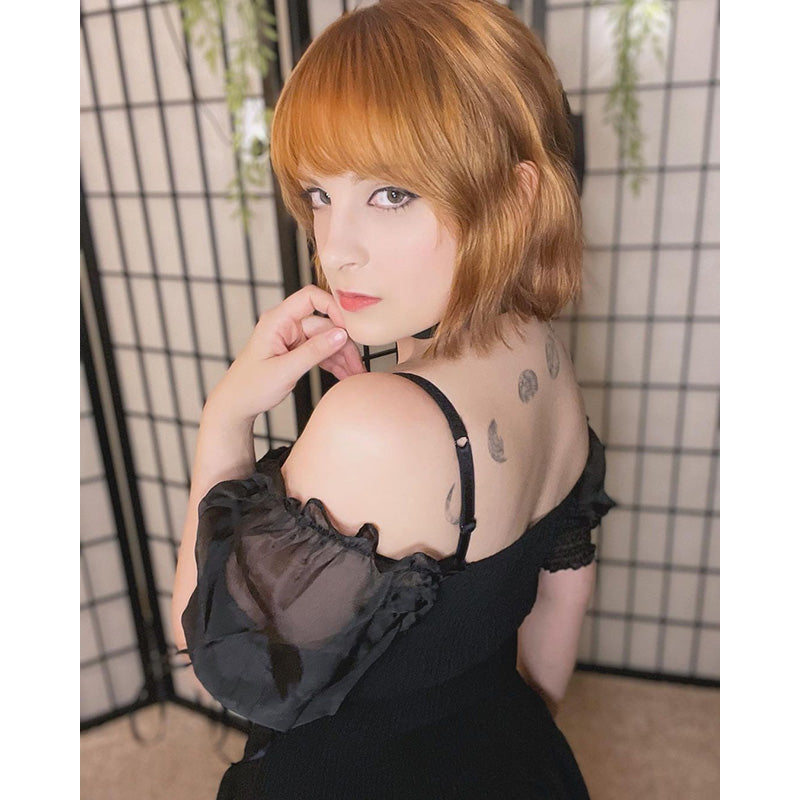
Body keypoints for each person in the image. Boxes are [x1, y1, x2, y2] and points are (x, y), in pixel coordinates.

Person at [171, 0, 614, 797]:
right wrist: (524, 742)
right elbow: (563, 590)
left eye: (391, 194)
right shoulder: (542, 351)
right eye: (318, 193)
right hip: (515, 754)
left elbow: (222, 663)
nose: (336, 247)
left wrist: (225, 421)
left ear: (515, 196)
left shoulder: (371, 425)